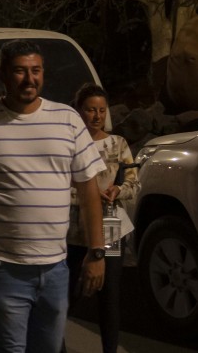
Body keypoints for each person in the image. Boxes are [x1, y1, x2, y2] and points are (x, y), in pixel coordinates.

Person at [0, 40, 107, 353]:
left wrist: (97, 253)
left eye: (36, 70)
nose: (29, 79)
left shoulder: (68, 120)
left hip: (55, 268)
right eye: (20, 71)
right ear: (3, 74)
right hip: (1, 266)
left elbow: (89, 191)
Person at [64, 85, 138, 353]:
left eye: (101, 110)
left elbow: (133, 181)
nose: (96, 116)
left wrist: (118, 189)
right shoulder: (69, 141)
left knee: (110, 295)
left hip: (110, 223)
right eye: (91, 110)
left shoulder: (118, 144)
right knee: (67, 289)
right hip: (73, 222)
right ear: (79, 110)